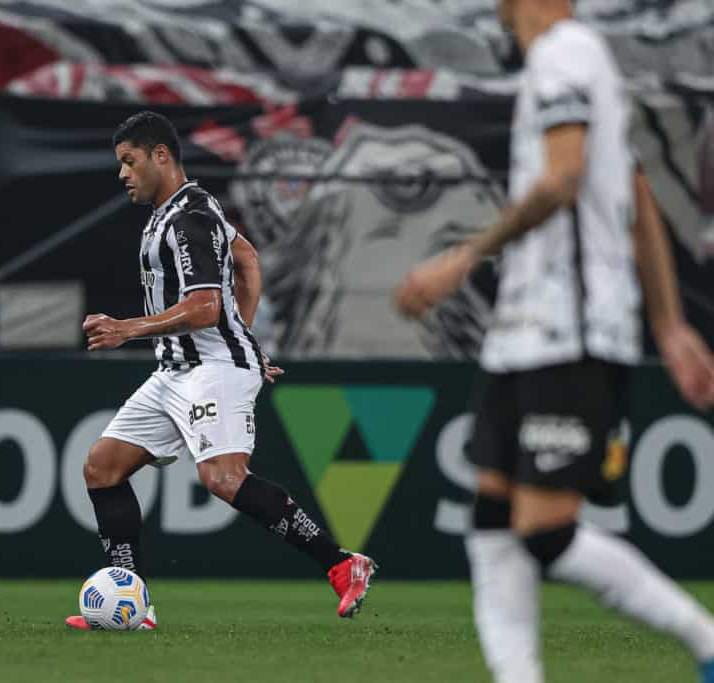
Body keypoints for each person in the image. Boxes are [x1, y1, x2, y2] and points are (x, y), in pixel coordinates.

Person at [394, 1, 714, 681]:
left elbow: (565, 177)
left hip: (569, 332)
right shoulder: (576, 58)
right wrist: (670, 324)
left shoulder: (563, 54)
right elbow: (634, 192)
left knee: (545, 531)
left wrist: (464, 256)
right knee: (491, 517)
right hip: (523, 336)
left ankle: (706, 638)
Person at [65, 111, 374, 630]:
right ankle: (136, 606)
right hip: (177, 370)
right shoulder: (187, 208)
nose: (122, 173)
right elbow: (248, 259)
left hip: (210, 367)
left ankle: (342, 564)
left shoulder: (189, 218)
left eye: (129, 161)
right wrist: (244, 336)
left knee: (223, 478)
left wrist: (129, 329)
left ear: (160, 155)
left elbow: (206, 306)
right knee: (102, 467)